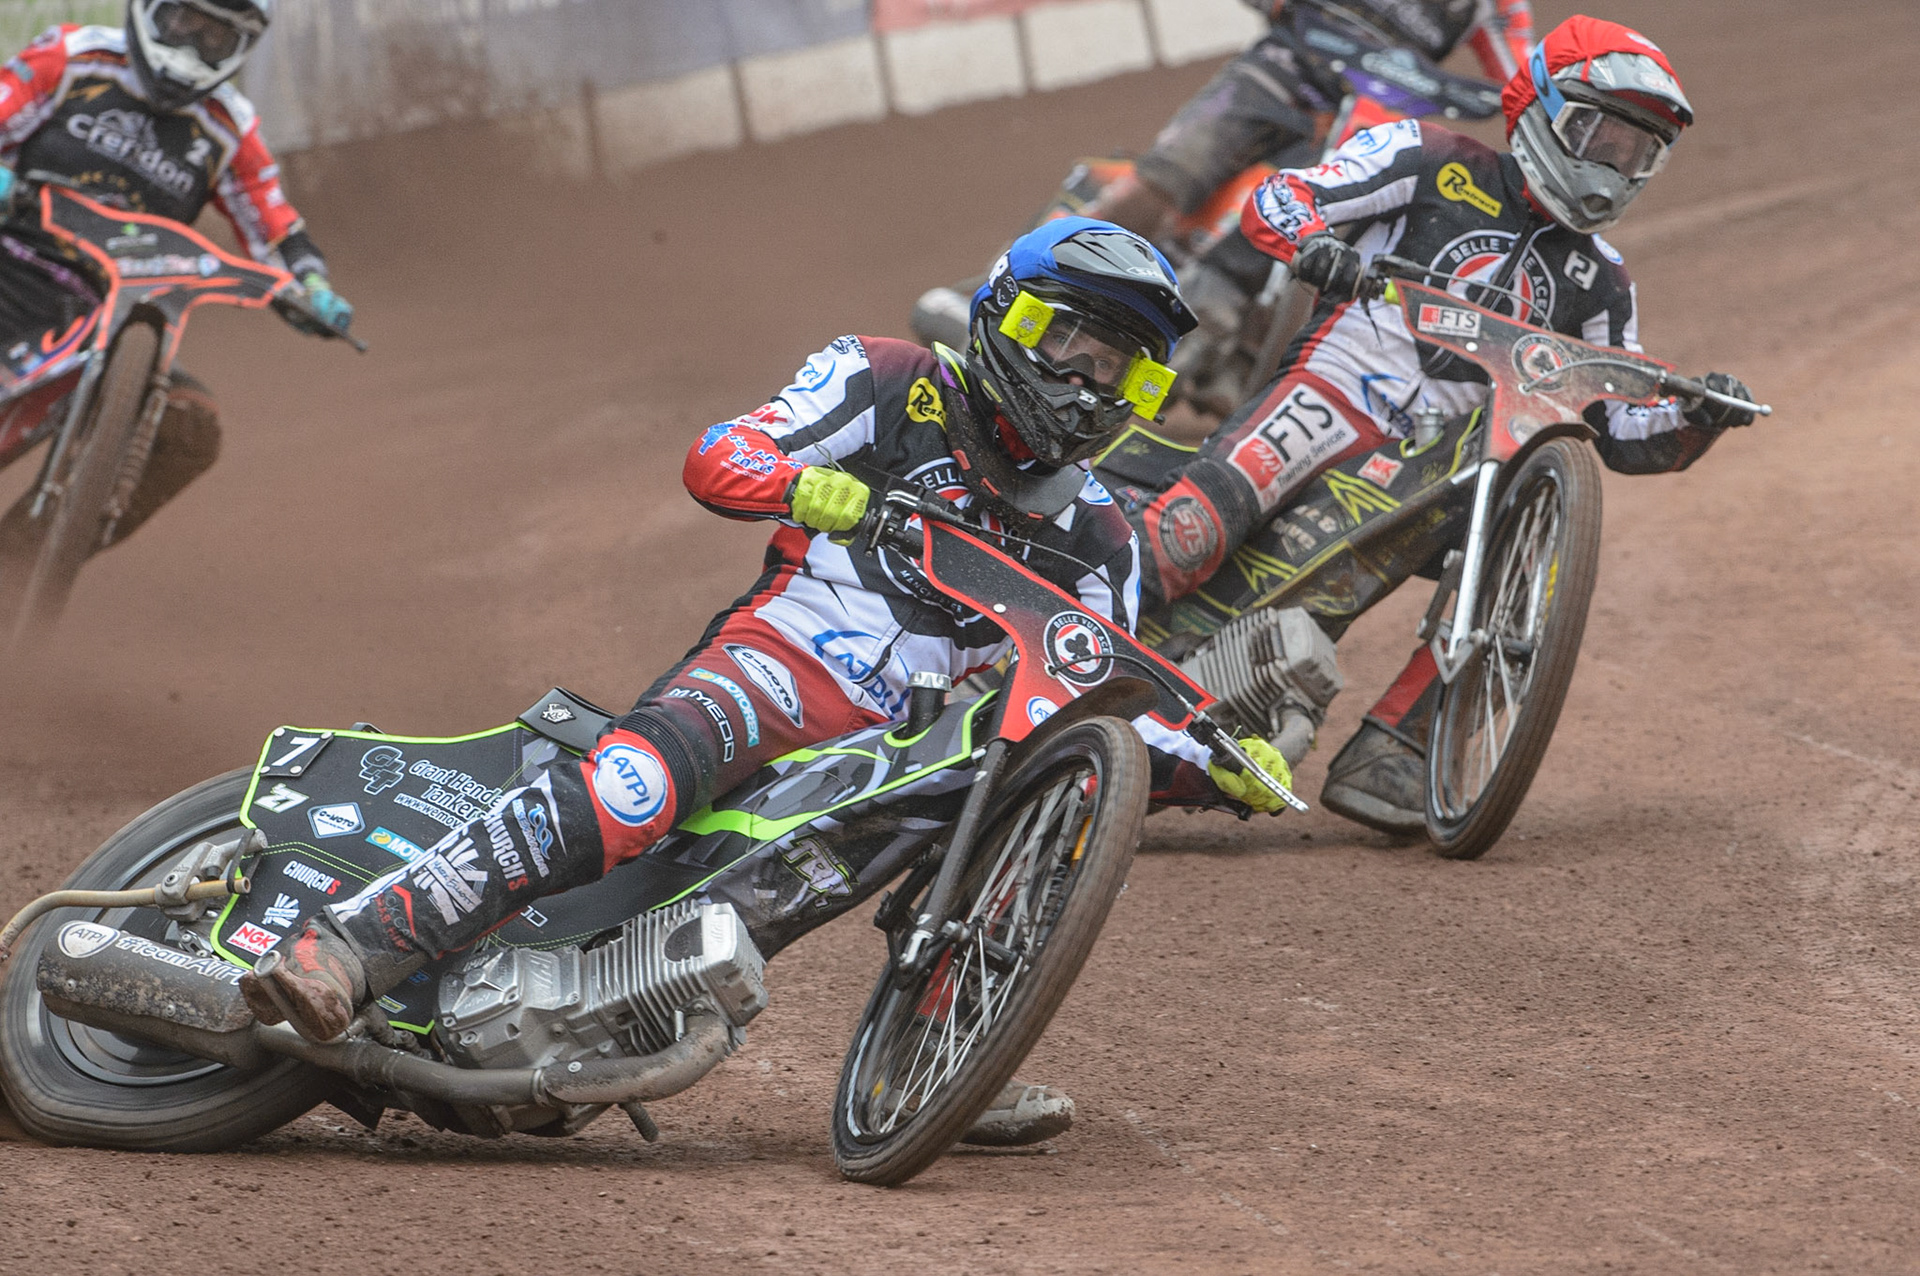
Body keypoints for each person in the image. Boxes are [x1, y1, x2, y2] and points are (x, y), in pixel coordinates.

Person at [238, 218, 1292, 1142]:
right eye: (1069, 344)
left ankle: (944, 1056)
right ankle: (356, 946)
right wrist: (803, 486)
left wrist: (1213, 762)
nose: (1089, 382)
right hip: (779, 668)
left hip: (908, 749)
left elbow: (1093, 691)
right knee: (631, 791)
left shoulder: (1103, 537)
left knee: (1042, 808)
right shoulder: (888, 380)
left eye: (1121, 368)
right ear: (1004, 317)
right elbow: (718, 455)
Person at [1116, 15, 1757, 834]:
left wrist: (1696, 417)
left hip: (1445, 475)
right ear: (1542, 109)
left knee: (1530, 547)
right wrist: (1313, 245)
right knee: (1184, 540)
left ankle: (1398, 745)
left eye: (1636, 152)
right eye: (1600, 136)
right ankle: (1045, 645)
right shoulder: (1428, 157)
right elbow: (1284, 196)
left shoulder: (1603, 284)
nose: (1612, 164)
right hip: (1335, 394)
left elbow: (1622, 427)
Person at [911, 0, 1534, 362]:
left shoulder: (1493, 5)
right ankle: (995, 294)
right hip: (1284, 70)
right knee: (1165, 179)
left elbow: (1523, 77)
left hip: (1374, 110)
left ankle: (1230, 344)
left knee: (1348, 212)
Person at [0, 2, 353, 550]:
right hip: (14, 256)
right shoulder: (73, 57)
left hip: (108, 307)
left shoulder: (229, 126)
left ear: (240, 47)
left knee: (188, 426)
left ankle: (19, 563)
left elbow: (274, 224)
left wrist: (312, 287)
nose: (192, 45)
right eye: (185, 20)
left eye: (215, 37)